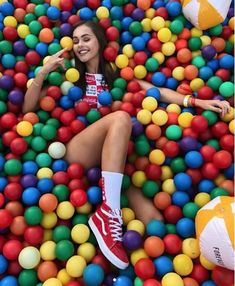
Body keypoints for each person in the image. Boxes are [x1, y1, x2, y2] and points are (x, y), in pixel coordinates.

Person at [22, 20, 231, 269]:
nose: (80, 45)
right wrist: (44, 72)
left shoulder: (117, 77)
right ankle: (108, 213)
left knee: (156, 227)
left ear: (100, 41)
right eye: (76, 41)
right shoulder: (68, 79)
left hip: (115, 163)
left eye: (86, 39)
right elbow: (27, 108)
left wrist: (197, 102)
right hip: (78, 156)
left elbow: (157, 92)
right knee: (121, 118)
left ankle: (111, 231)